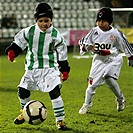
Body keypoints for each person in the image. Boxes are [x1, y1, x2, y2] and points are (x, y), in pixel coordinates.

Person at [5, 2, 70, 130]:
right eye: (40, 20)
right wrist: (12, 52)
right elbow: (19, 43)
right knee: (22, 91)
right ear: (36, 20)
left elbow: (62, 53)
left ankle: (60, 121)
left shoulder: (55, 34)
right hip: (31, 69)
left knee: (55, 92)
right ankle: (25, 112)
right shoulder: (29, 31)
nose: (44, 23)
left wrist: (65, 69)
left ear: (51, 20)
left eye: (46, 20)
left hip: (49, 69)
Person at [78, 7, 133, 114]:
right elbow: (82, 42)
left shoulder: (116, 33)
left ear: (109, 21)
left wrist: (131, 57)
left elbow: (125, 45)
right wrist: (86, 47)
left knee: (109, 78)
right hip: (99, 61)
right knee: (91, 85)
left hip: (113, 59)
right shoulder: (94, 32)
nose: (100, 23)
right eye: (98, 21)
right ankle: (87, 104)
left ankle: (120, 99)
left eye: (103, 21)